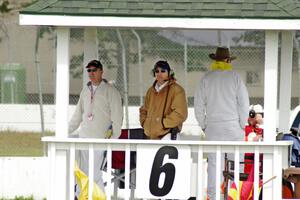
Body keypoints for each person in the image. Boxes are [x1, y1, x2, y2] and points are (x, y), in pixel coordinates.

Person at [194, 47, 249, 199]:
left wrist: (204, 124)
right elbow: (244, 103)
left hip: (213, 126)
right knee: (236, 162)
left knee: (214, 165)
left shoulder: (206, 78)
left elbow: (198, 105)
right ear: (228, 60)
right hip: (233, 126)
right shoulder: (235, 77)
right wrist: (242, 124)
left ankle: (213, 196)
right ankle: (235, 195)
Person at [68, 59, 123, 197]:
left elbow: (117, 118)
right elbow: (77, 116)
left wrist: (113, 139)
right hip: (83, 139)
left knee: (94, 173)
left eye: (94, 70)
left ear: (101, 71)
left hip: (101, 140)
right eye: (89, 70)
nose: (91, 73)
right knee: (82, 172)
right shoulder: (85, 90)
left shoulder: (111, 91)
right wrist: (63, 131)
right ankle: (82, 196)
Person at [139, 60, 188, 140]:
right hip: (149, 136)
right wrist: (145, 123)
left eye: (163, 71)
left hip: (168, 135)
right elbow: (144, 110)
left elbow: (180, 113)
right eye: (157, 71)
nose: (159, 74)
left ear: (169, 73)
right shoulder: (151, 91)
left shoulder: (177, 90)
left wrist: (162, 123)